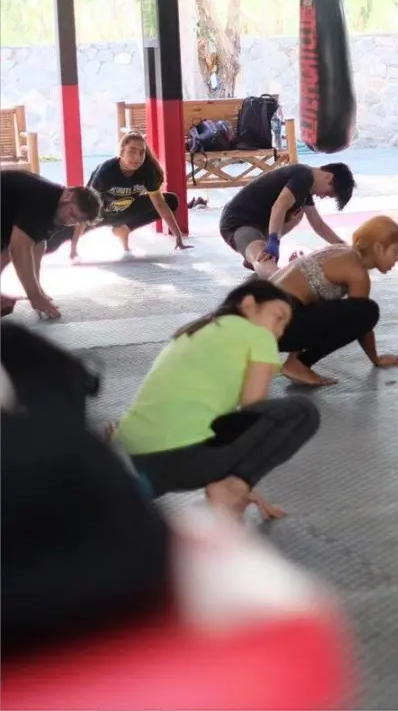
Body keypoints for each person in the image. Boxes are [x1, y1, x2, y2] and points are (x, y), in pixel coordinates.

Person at [112, 279, 320, 522]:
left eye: (286, 324)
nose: (281, 330)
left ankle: (137, 490)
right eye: (278, 316)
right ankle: (230, 487)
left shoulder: (196, 330)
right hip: (182, 460)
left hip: (133, 455)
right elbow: (253, 409)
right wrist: (242, 481)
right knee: (301, 411)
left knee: (218, 423)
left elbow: (224, 423)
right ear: (249, 305)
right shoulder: (258, 335)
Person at [270, 214, 398, 386]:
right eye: (396, 251)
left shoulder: (340, 251)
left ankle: (295, 359)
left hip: (268, 320)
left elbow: (311, 302)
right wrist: (376, 359)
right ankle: (298, 364)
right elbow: (361, 321)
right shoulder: (357, 272)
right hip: (277, 326)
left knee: (338, 308)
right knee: (367, 311)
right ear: (379, 248)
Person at [45, 131, 190, 260]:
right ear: (121, 151)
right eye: (132, 151)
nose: (137, 157)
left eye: (142, 152)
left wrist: (178, 236)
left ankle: (124, 228)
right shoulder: (107, 171)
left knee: (170, 200)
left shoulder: (148, 170)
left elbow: (159, 204)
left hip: (124, 212)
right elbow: (85, 207)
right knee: (52, 241)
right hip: (97, 215)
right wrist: (74, 246)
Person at [218, 162, 355, 279]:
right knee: (264, 259)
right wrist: (273, 242)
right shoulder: (303, 175)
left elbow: (317, 223)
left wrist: (342, 245)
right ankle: (260, 259)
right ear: (328, 176)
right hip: (238, 222)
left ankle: (255, 255)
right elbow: (279, 206)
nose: (323, 197)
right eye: (328, 193)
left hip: (259, 224)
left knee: (297, 215)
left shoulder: (306, 189)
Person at [0, 171, 101, 319]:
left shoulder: (59, 211)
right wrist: (34, 295)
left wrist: (37, 290)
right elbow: (19, 249)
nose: (70, 221)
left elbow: (37, 244)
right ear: (69, 195)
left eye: (77, 220)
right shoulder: (43, 200)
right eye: (72, 214)